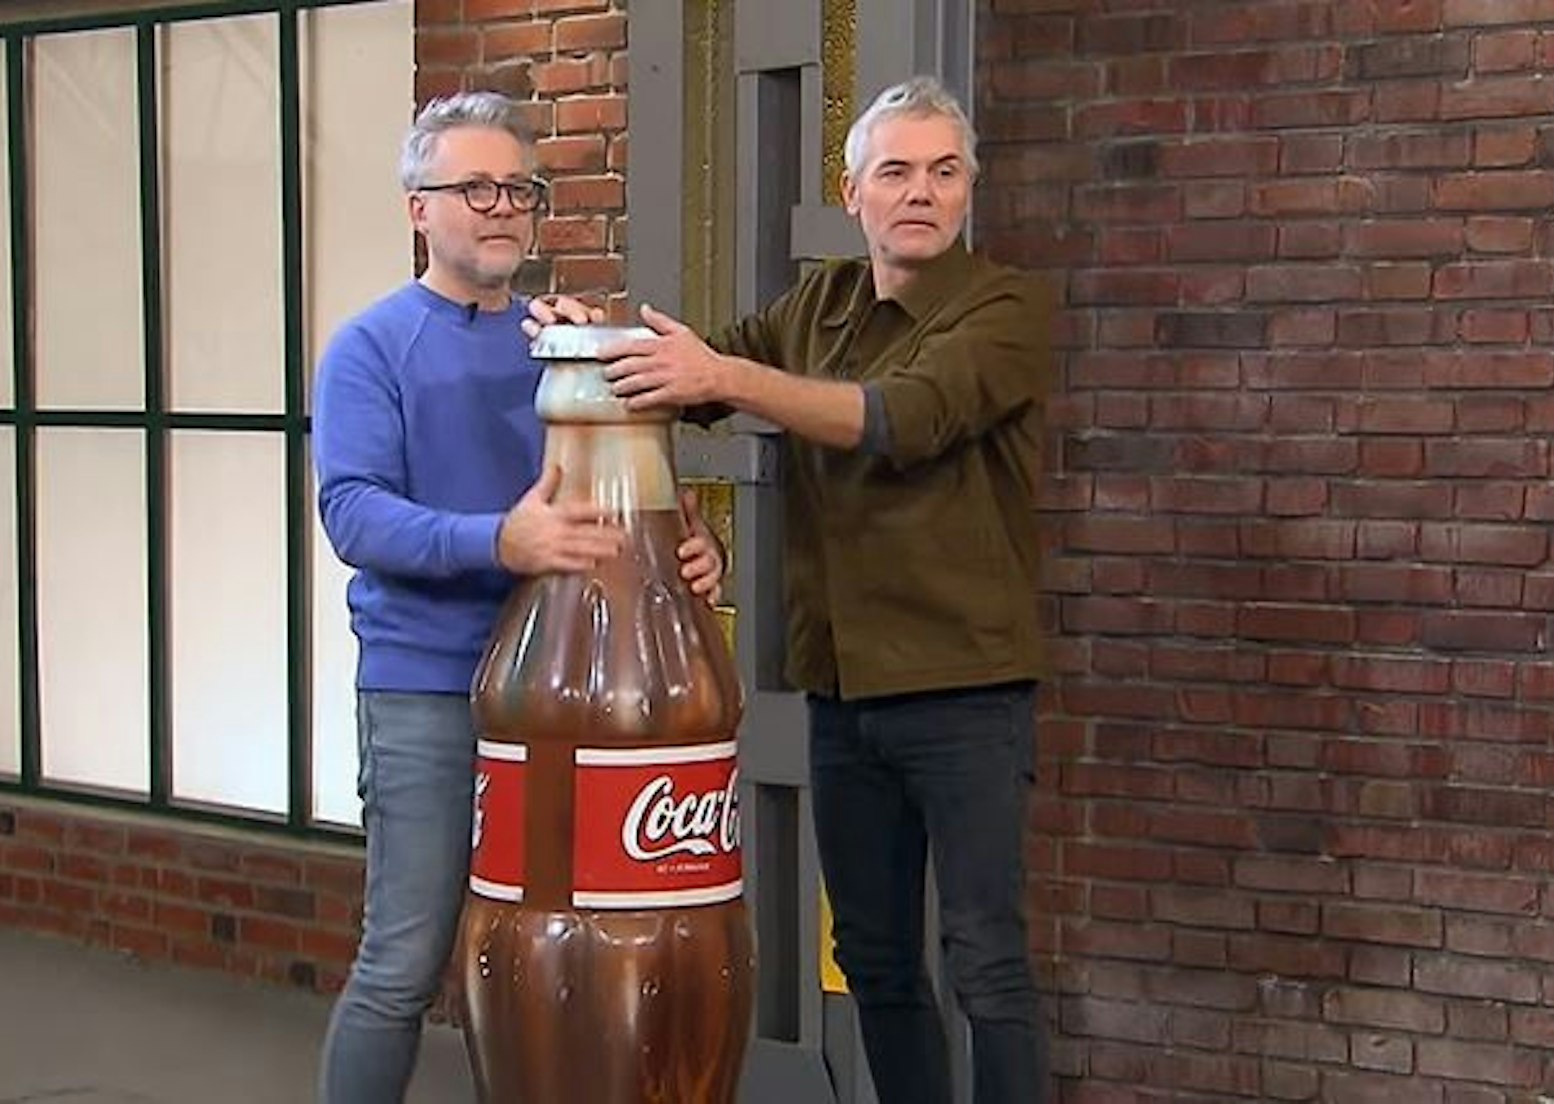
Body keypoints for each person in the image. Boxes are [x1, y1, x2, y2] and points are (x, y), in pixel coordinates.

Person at [537, 75, 1053, 1103]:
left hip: (966, 692)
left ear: (968, 193)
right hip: (841, 692)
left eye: (944, 173)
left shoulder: (1007, 310)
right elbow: (695, 371)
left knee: (984, 962)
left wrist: (719, 380)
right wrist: (592, 337)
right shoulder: (820, 302)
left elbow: (895, 419)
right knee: (873, 959)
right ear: (852, 190)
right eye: (896, 171)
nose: (921, 193)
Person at [309, 91, 723, 1104]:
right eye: (474, 188)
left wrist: (688, 547)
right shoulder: (368, 348)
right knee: (406, 963)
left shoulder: (567, 343)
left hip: (568, 695)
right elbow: (353, 516)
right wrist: (501, 539)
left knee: (550, 960)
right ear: (419, 209)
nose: (501, 208)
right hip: (431, 694)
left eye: (519, 190)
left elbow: (620, 494)